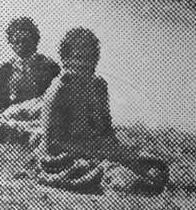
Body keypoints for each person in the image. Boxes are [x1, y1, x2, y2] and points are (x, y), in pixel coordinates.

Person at [33, 27, 169, 194]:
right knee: (111, 172)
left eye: (92, 57)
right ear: (65, 59)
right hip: (64, 156)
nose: (86, 64)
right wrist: (100, 152)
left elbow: (106, 132)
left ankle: (128, 176)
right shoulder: (59, 90)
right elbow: (53, 144)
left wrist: (120, 152)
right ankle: (120, 180)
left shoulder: (99, 86)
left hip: (96, 149)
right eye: (79, 58)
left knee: (152, 164)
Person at [0, 18, 61, 144]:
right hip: (12, 118)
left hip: (41, 116)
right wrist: (7, 112)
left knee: (50, 117)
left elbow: (54, 99)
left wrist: (26, 108)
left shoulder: (50, 67)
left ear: (35, 41)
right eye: (16, 42)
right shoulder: (4, 70)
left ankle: (23, 133)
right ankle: (24, 133)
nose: (21, 45)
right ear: (10, 43)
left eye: (25, 41)